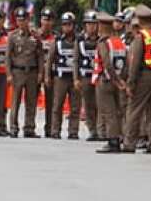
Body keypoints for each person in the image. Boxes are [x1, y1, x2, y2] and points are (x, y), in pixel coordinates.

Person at [121, 5, 151, 154]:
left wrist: (131, 83)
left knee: (135, 110)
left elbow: (135, 62)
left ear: (140, 20)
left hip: (145, 76)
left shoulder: (141, 37)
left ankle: (129, 143)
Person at [7, 7, 43, 138]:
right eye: (19, 20)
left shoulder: (35, 36)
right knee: (15, 101)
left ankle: (29, 128)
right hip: (18, 71)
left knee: (31, 101)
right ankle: (13, 127)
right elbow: (8, 56)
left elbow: (40, 56)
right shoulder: (12, 36)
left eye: (23, 20)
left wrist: (40, 73)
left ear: (28, 20)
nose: (21, 22)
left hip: (32, 72)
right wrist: (9, 74)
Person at [95, 11, 127, 153]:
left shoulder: (104, 43)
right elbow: (126, 62)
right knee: (118, 111)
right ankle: (119, 136)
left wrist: (114, 79)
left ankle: (113, 140)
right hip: (118, 80)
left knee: (109, 112)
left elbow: (106, 63)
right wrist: (121, 80)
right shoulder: (119, 41)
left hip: (107, 81)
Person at [47, 12, 78, 139]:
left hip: (74, 77)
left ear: (73, 25)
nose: (67, 27)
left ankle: (73, 131)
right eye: (64, 25)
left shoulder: (79, 40)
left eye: (69, 25)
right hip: (60, 77)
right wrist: (47, 76)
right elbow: (49, 59)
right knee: (57, 105)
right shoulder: (58, 41)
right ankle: (55, 130)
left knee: (75, 106)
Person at [74, 10, 101, 141]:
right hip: (85, 76)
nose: (92, 27)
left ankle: (101, 129)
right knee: (88, 104)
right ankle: (92, 130)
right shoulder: (79, 40)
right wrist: (76, 78)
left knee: (100, 104)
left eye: (94, 24)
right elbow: (75, 60)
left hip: (99, 76)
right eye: (89, 24)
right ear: (85, 25)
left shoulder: (101, 39)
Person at [37, 8, 57, 138]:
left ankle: (50, 128)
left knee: (51, 101)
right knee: (32, 101)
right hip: (36, 71)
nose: (46, 22)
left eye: (49, 20)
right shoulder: (34, 36)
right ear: (40, 20)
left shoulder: (56, 37)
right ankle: (29, 127)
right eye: (44, 19)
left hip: (51, 72)